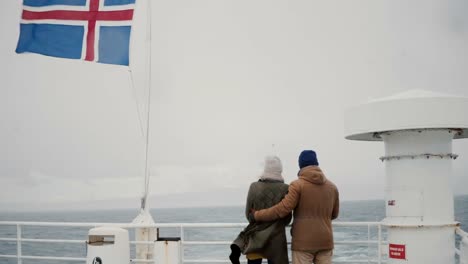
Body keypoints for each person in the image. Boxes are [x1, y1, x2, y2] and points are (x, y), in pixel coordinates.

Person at [251, 150, 339, 264]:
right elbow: (334, 214)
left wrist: (257, 215)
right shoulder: (332, 187)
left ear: (300, 165)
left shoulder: (297, 185)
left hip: (303, 243)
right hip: (325, 242)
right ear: (316, 163)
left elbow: (282, 209)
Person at [230, 155, 292, 264]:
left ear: (266, 169)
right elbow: (287, 218)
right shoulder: (286, 188)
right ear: (280, 170)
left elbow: (249, 215)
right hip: (276, 241)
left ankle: (237, 246)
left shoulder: (254, 186)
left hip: (256, 237)